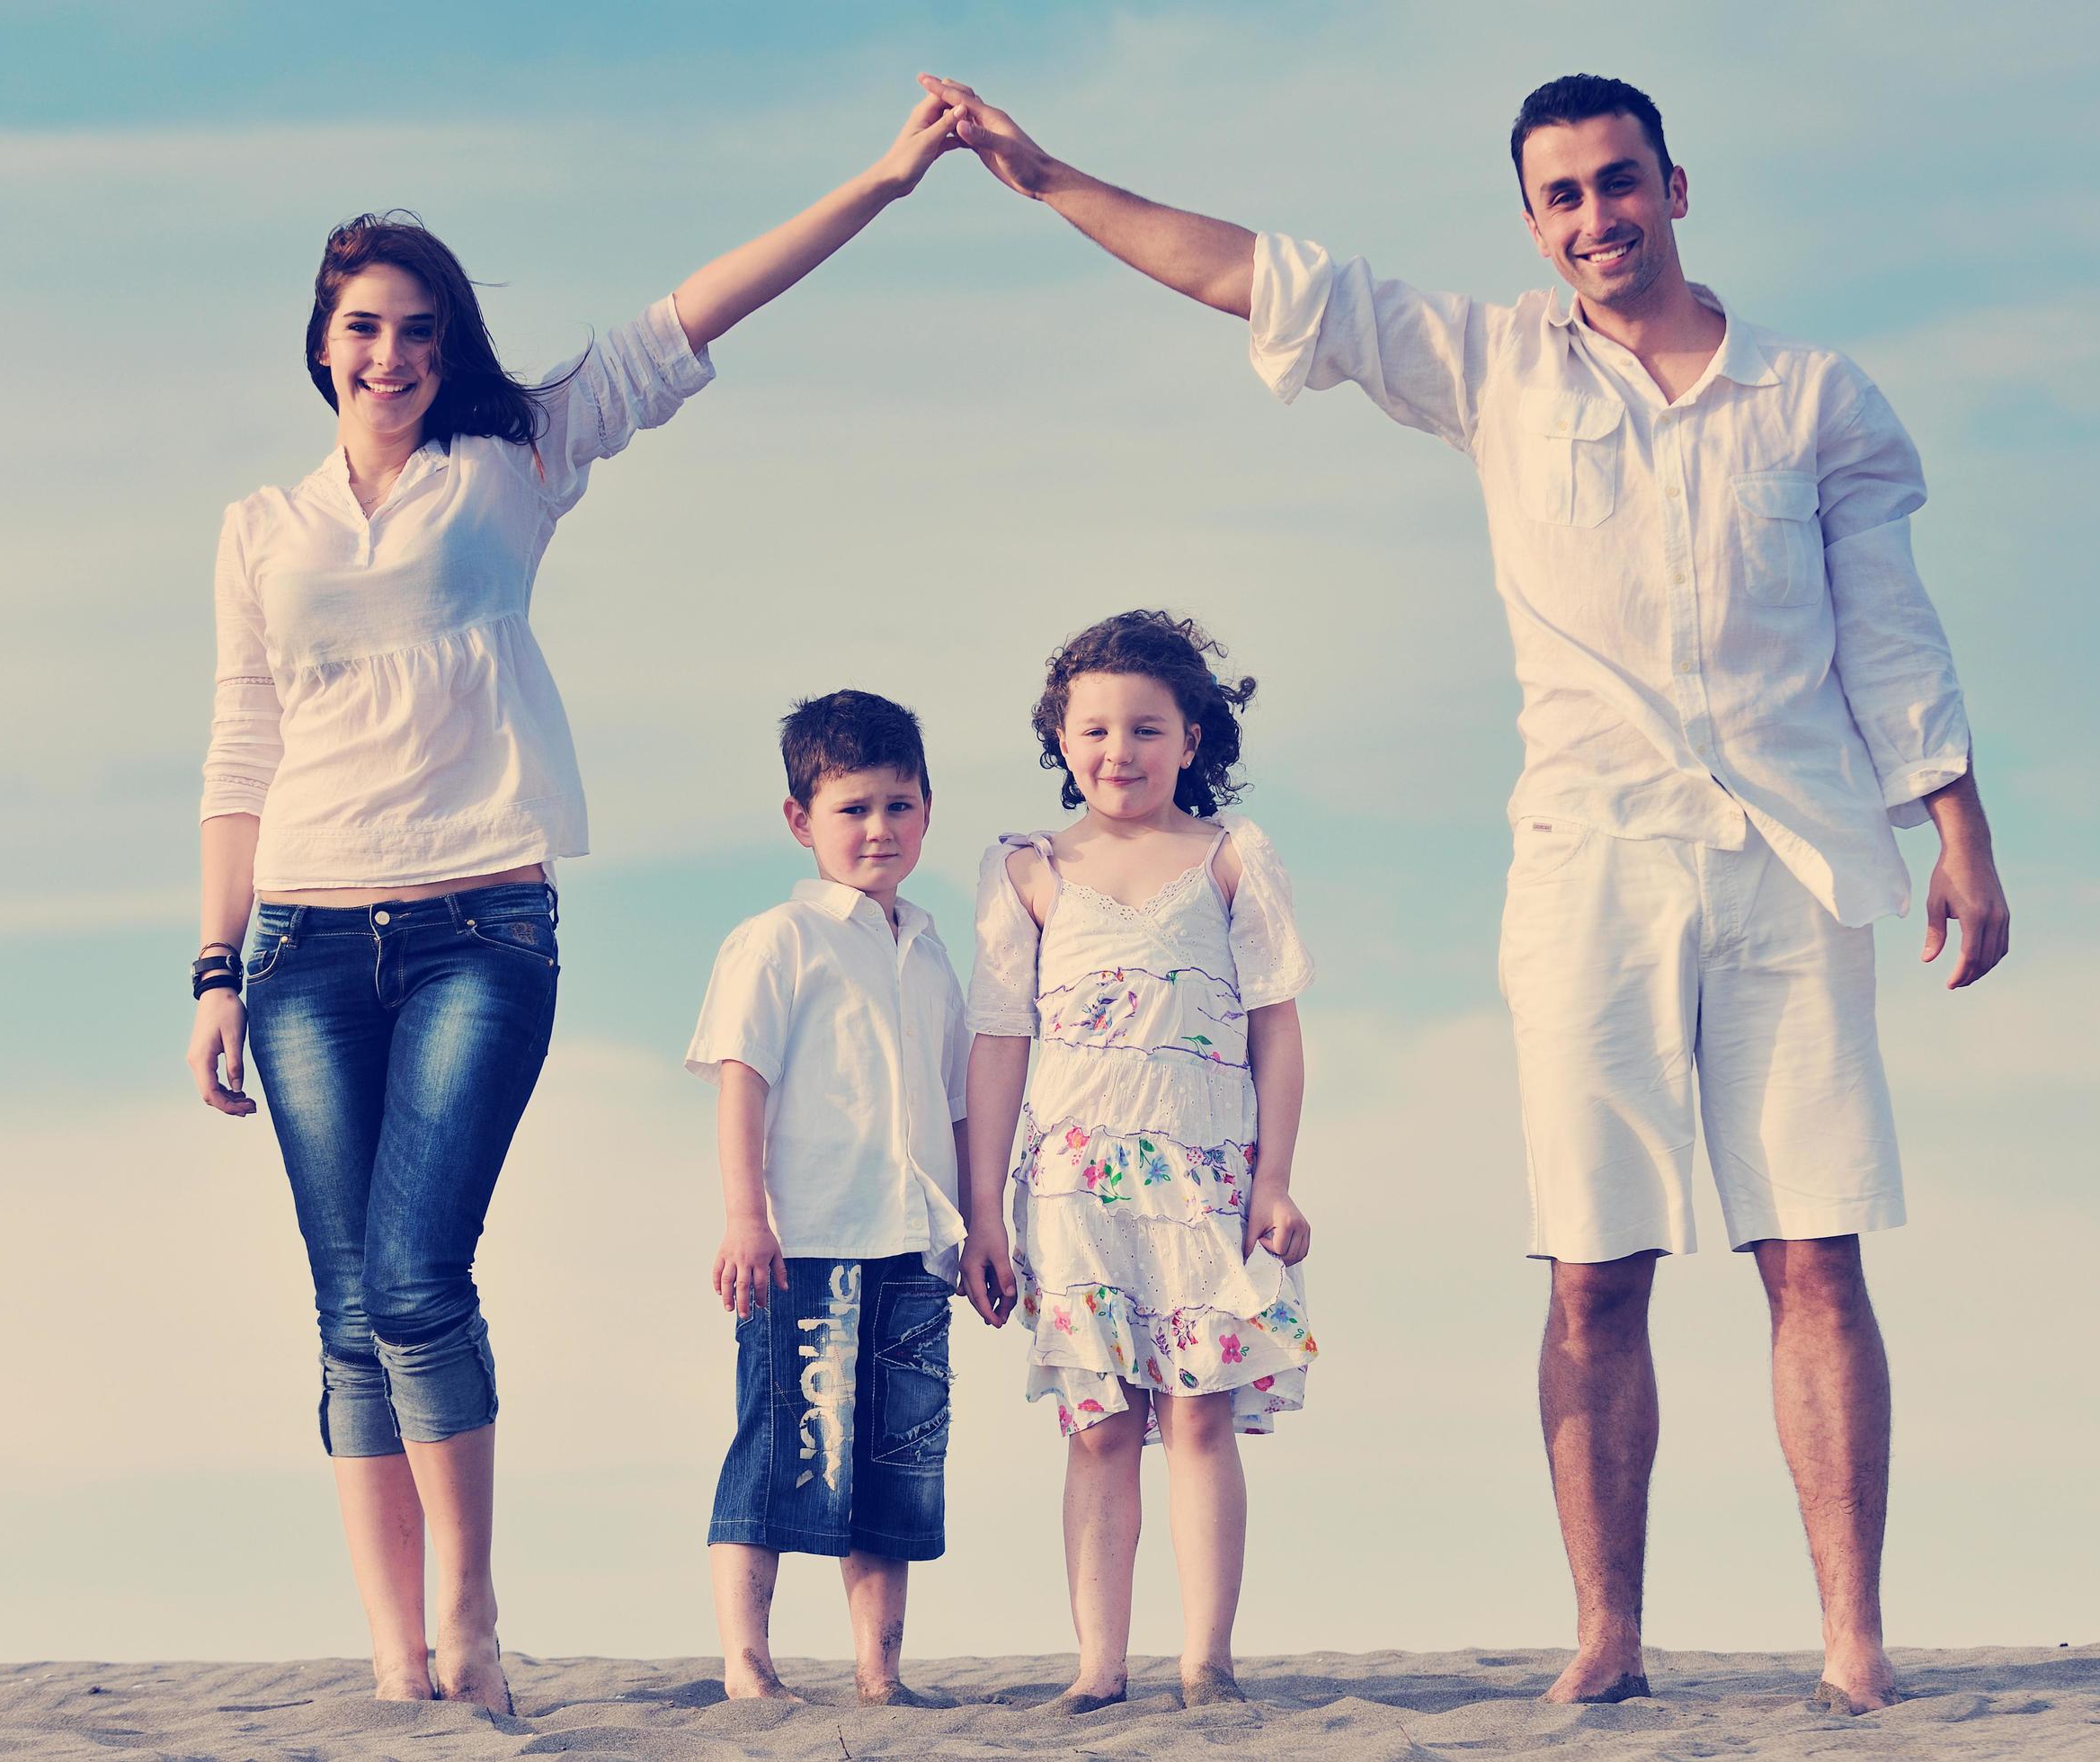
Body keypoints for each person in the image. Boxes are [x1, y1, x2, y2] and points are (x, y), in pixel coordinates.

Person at [920, 70, 2012, 1713]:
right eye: (1562, 196)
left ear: (1676, 185)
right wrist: (1046, 175)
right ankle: (1610, 1634)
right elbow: (1256, 274)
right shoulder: (1497, 364)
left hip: (1795, 862)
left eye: (1620, 183)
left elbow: (1892, 634)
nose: (1596, 218)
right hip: (1589, 870)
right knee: (1594, 1265)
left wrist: (1961, 832)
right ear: (1532, 220)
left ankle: (1851, 1637)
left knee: (1816, 1254)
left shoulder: (1813, 399)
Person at [182, 94, 966, 1712]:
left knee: (414, 1274)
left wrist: (884, 181)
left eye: (417, 328)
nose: (390, 354)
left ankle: (469, 1613)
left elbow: (696, 311)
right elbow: (239, 748)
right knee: (346, 1311)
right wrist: (210, 965)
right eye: (363, 329)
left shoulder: (515, 457)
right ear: (321, 344)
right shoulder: (262, 530)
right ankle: (398, 1658)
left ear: (449, 341)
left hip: (482, 925)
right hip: (303, 942)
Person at [958, 610, 1320, 1714]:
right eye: (1096, 729)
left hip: (1208, 1176)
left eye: (1148, 728)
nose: (1121, 751)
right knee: (1102, 1424)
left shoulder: (1232, 857)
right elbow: (998, 1043)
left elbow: (1278, 1029)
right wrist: (984, 1211)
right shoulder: (1025, 869)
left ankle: (1206, 1659)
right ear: (1061, 740)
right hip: (1071, 1187)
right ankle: (1098, 1665)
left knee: (1201, 1413)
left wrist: (1274, 1178)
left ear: (1195, 737)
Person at [683, 690, 972, 1707]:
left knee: (898, 1460)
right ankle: (747, 1663)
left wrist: (977, 1231)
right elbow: (740, 1080)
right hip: (801, 1240)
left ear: (929, 810)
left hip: (914, 1248)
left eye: (900, 804)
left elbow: (958, 1103)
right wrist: (745, 1214)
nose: (879, 828)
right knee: (779, 1445)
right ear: (801, 819)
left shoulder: (934, 951)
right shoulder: (777, 940)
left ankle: (878, 1672)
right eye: (853, 808)